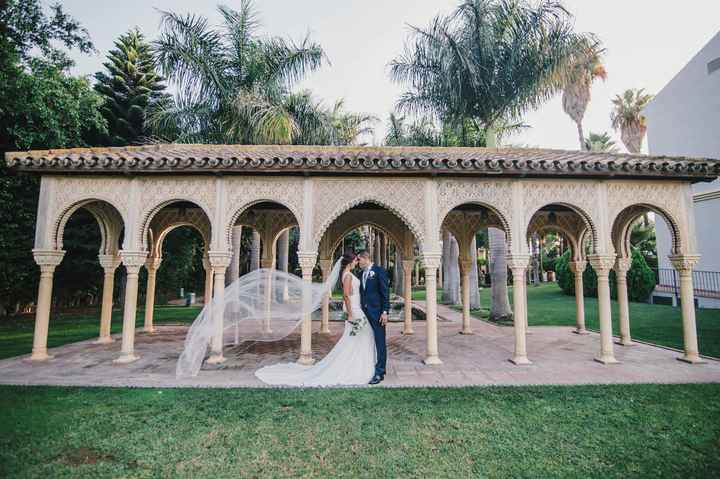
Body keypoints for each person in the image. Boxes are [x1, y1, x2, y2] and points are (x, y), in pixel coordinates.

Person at [254, 251, 377, 386]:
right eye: (355, 260)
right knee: (361, 337)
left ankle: (357, 365)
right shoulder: (347, 276)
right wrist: (351, 313)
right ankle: (354, 368)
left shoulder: (348, 275)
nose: (357, 263)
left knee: (356, 338)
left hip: (356, 307)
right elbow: (346, 295)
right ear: (349, 262)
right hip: (355, 310)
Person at [356, 249, 390, 385]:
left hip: (377, 314)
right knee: (367, 341)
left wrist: (385, 311)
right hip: (364, 314)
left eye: (359, 260)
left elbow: (385, 292)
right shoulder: (360, 274)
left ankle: (380, 372)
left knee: (380, 342)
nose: (358, 262)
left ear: (366, 258)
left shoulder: (379, 271)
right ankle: (368, 367)